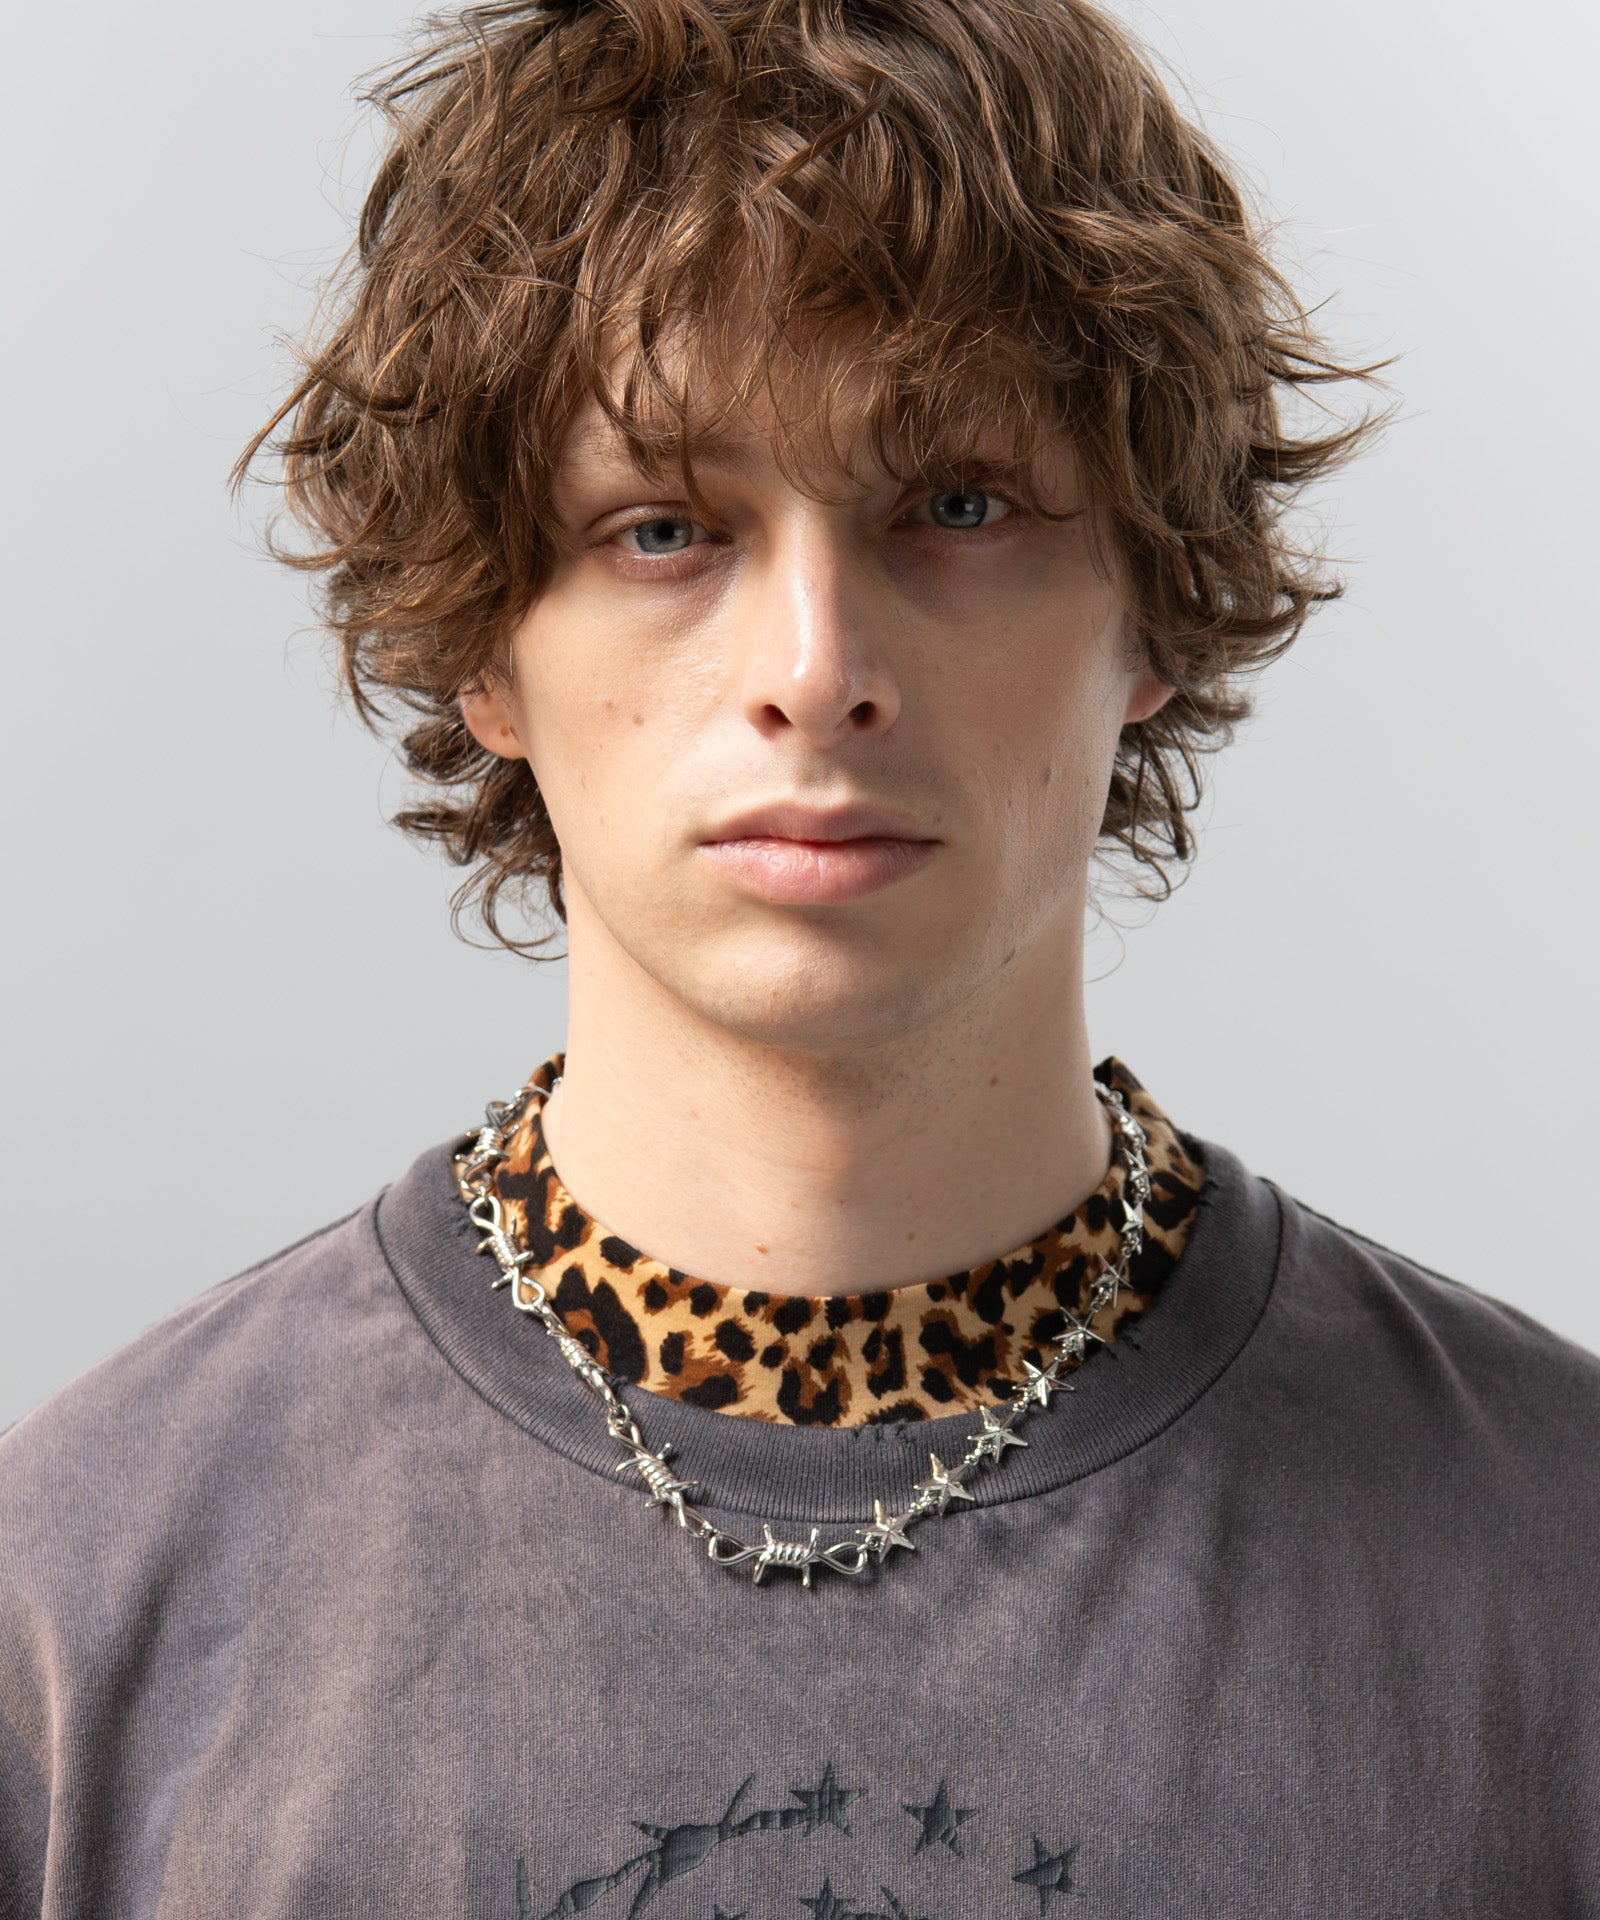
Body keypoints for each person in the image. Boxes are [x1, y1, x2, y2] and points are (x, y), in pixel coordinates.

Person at [2, 0, 1596, 1913]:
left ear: (1157, 606)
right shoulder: (76, 1600)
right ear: (484, 644)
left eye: (959, 505)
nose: (816, 670)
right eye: (667, 527)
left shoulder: (1556, 1562)